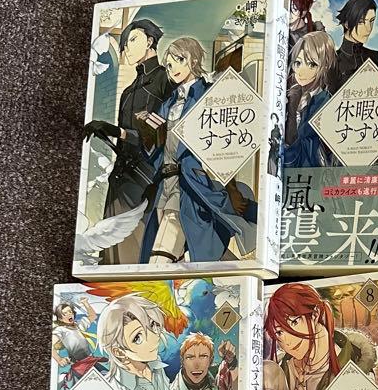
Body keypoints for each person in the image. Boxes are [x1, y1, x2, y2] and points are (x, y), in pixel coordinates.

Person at [136, 37, 258, 264]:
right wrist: (147, 133)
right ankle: (232, 272)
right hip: (165, 183)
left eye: (179, 60)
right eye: (169, 65)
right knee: (192, 246)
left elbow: (225, 144)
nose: (173, 69)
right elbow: (157, 152)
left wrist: (231, 188)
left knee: (163, 253)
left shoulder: (207, 94)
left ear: (193, 59)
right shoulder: (169, 103)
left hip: (191, 184)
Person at [81, 17, 173, 263]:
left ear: (150, 41)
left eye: (133, 40)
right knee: (111, 250)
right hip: (122, 176)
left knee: (135, 249)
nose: (126, 48)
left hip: (148, 178)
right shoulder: (128, 91)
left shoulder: (165, 80)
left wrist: (115, 131)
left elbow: (165, 133)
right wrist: (111, 133)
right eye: (124, 44)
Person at [282, 30, 336, 169]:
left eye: (311, 64)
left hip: (311, 170)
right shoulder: (291, 94)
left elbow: (304, 139)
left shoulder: (324, 102)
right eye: (298, 63)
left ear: (324, 66)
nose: (301, 71)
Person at [329, 0, 378, 92]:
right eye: (361, 22)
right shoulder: (332, 61)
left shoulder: (375, 57)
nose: (368, 28)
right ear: (346, 23)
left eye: (371, 21)